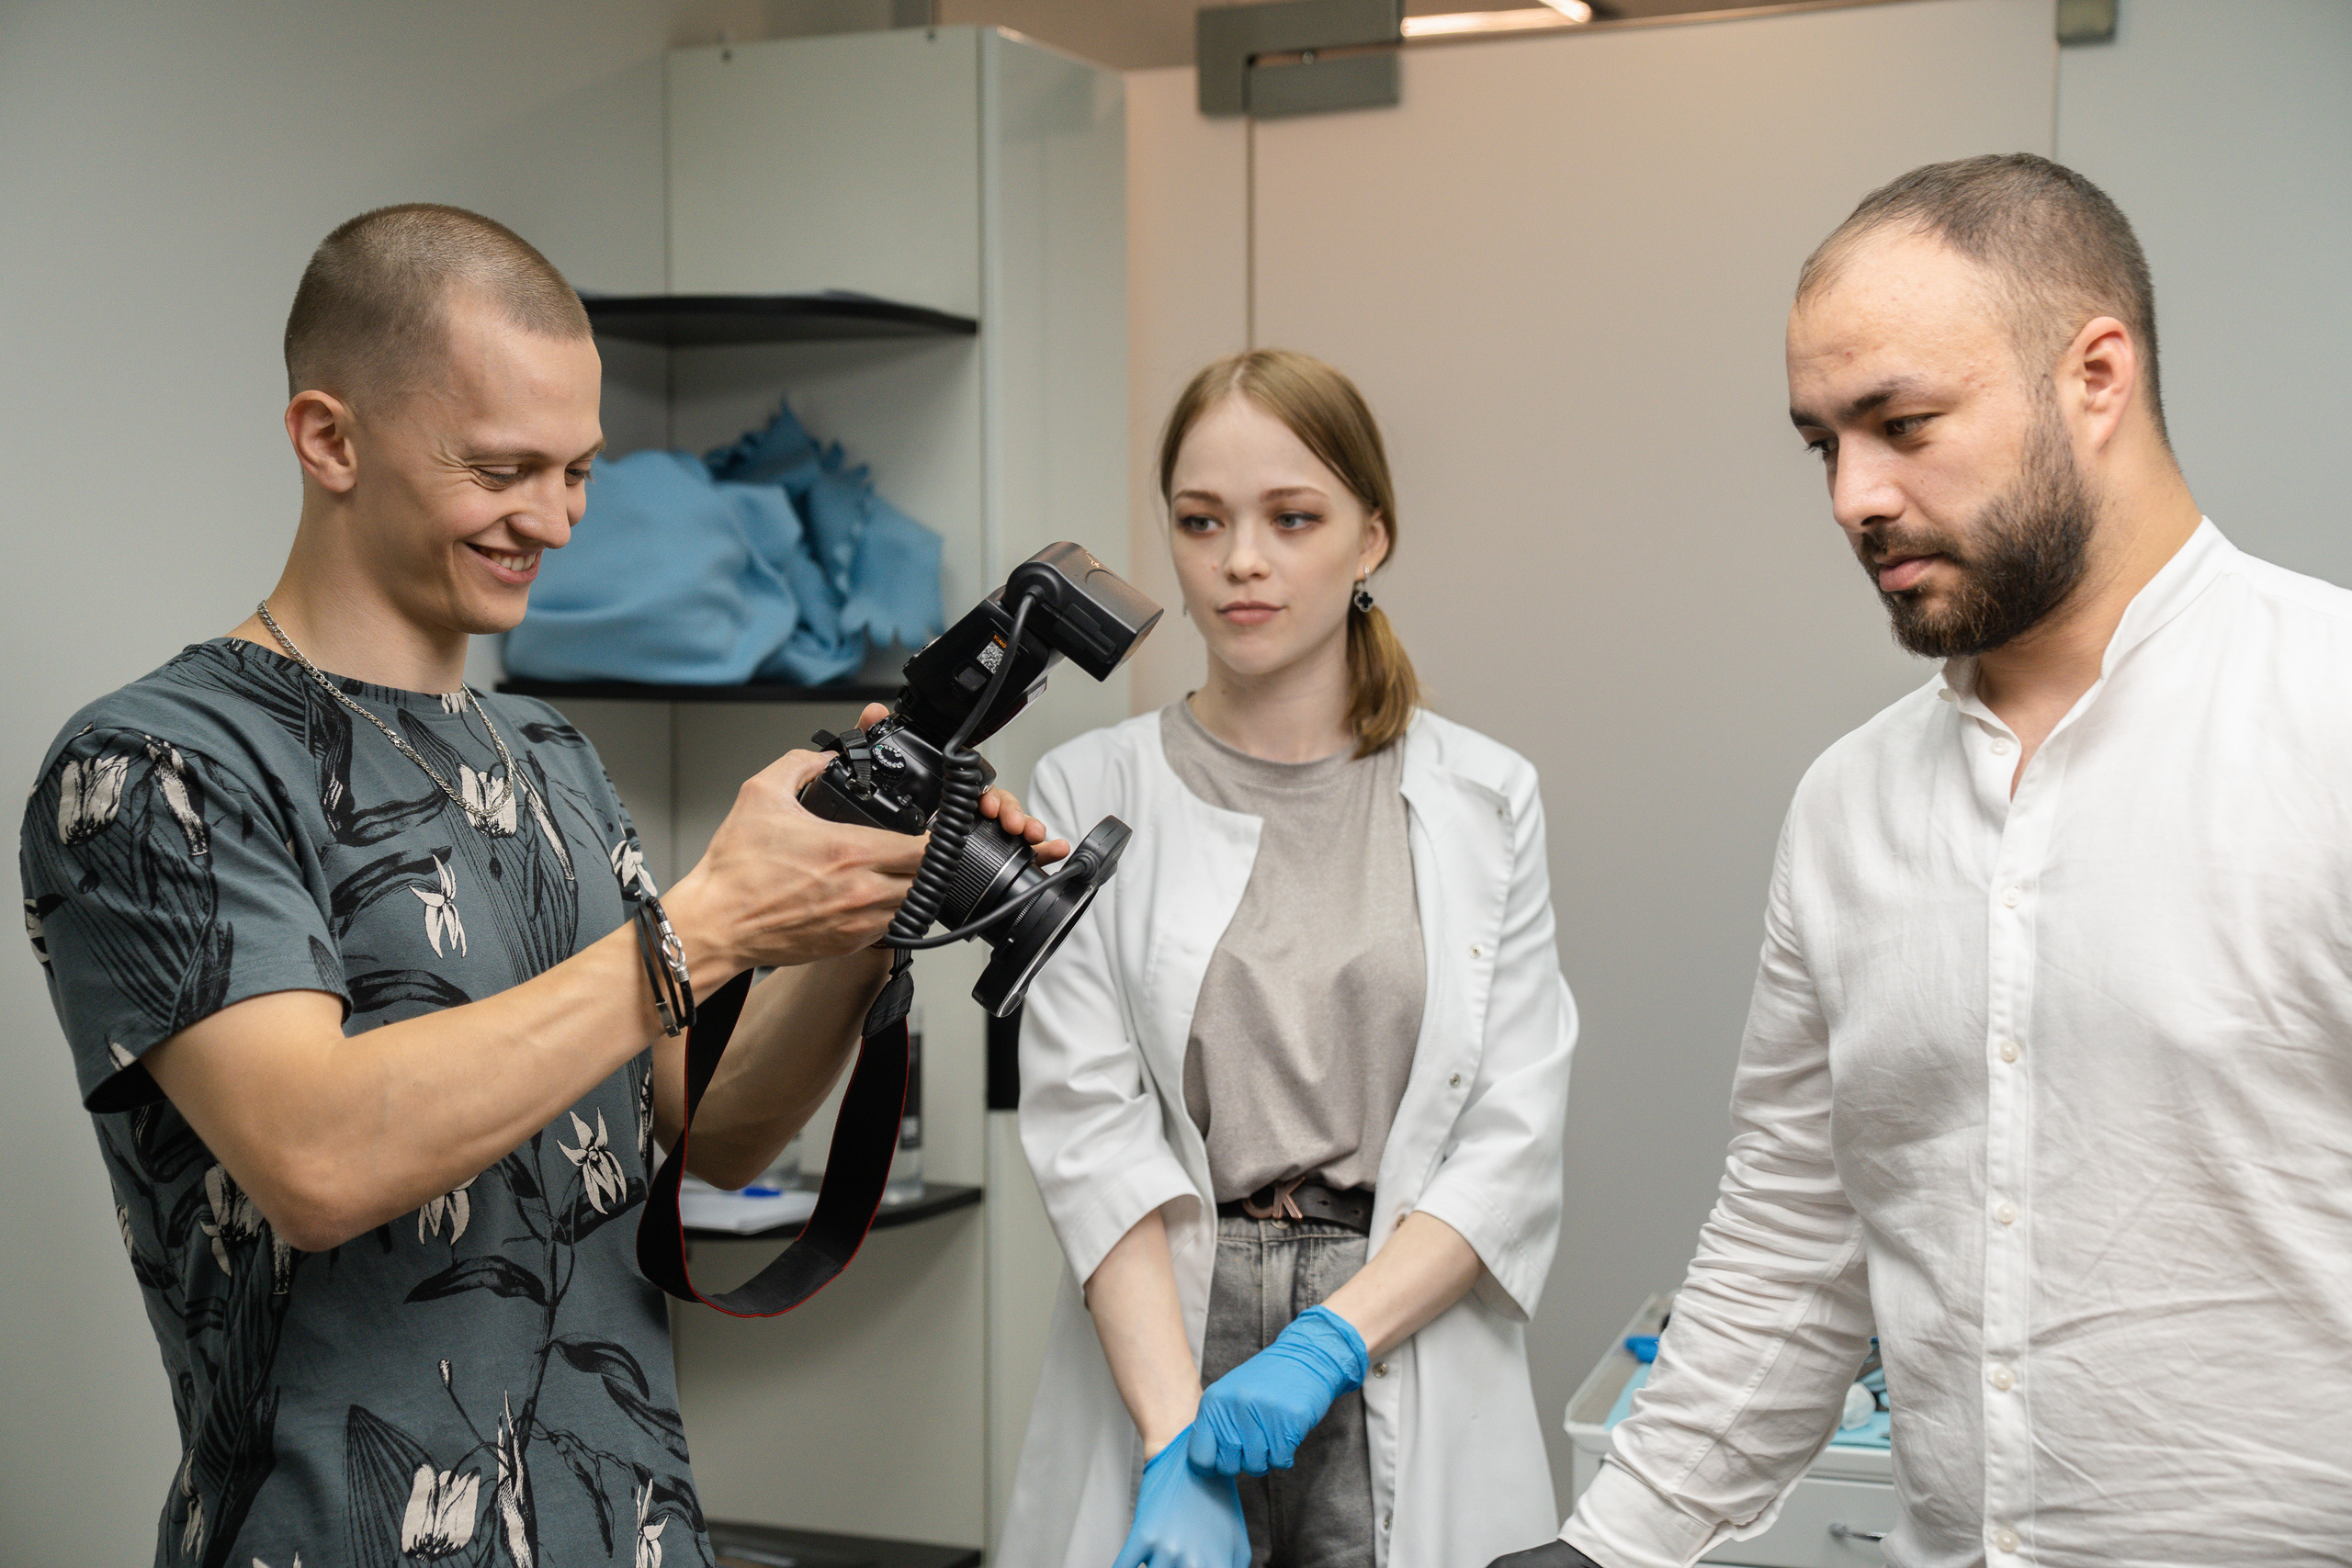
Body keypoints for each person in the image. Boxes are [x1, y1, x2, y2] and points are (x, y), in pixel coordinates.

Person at [19, 203, 1057, 1567]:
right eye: (505, 469)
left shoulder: (550, 752)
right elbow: (319, 1160)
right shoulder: (159, 762)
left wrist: (864, 910)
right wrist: (710, 919)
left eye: (578, 470)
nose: (557, 520)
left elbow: (714, 1133)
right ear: (329, 438)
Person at [1491, 154, 2352, 1568]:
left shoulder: (2326, 714)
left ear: (2095, 375)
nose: (1852, 496)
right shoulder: (1850, 808)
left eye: (1901, 423)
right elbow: (1792, 1241)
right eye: (1824, 443)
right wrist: (1611, 1548)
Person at [996, 349, 1577, 1568]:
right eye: (1201, 523)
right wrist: (1170, 1441)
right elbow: (1088, 1131)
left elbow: (1510, 1137)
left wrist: (1327, 1346)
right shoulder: (1087, 789)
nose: (1240, 560)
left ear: (1372, 536)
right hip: (1170, 1323)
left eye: (1291, 519)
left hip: (1391, 1318)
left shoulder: (1484, 797)